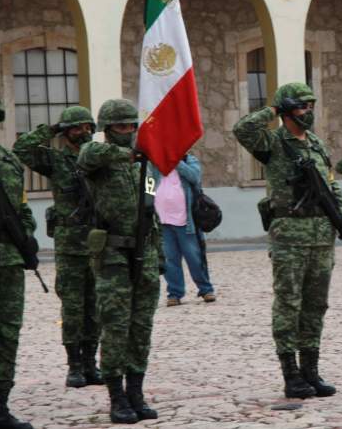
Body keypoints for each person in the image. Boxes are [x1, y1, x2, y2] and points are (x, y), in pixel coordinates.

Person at [233, 82, 342, 399]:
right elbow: (241, 129)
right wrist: (272, 109)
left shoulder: (316, 144)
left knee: (316, 305)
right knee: (289, 304)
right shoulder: (272, 143)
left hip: (321, 234)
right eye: (301, 106)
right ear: (287, 110)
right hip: (289, 235)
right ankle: (291, 373)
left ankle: (311, 370)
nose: (308, 112)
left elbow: (329, 183)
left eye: (310, 106)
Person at [77, 99, 161, 424]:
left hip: (145, 251)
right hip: (113, 254)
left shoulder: (144, 166)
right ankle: (117, 397)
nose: (127, 131)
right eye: (120, 126)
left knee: (141, 327)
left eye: (131, 126)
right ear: (107, 129)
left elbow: (151, 209)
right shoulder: (100, 157)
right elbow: (88, 155)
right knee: (115, 327)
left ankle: (136, 391)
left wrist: (160, 255)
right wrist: (129, 152)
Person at [13, 107, 103, 389]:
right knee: (73, 307)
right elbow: (22, 149)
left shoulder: (99, 159)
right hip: (70, 245)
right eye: (76, 128)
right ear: (66, 134)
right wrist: (51, 128)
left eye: (87, 126)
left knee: (96, 308)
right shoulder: (55, 160)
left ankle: (91, 363)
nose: (83, 132)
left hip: (99, 242)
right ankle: (74, 366)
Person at [0, 86, 36, 429]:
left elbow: (24, 207)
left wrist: (27, 236)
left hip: (10, 261)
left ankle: (1, 405)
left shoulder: (10, 159)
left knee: (7, 333)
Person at [150, 153, 216, 305]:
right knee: (169, 260)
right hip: (163, 221)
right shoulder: (155, 164)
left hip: (186, 221)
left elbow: (194, 177)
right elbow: (149, 184)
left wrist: (176, 161)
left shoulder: (188, 159)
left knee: (194, 257)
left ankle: (206, 289)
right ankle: (174, 293)